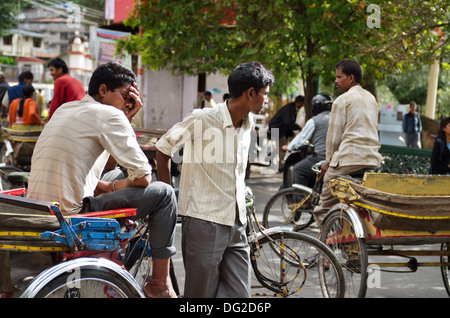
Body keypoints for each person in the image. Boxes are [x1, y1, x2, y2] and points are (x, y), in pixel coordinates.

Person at [27, 62, 178, 298]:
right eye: (126, 96)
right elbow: (143, 176)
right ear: (104, 90)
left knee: (116, 174)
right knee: (165, 194)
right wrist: (111, 187)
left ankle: (124, 248)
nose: (129, 103)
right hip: (70, 213)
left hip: (39, 207)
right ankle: (160, 283)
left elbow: (107, 165)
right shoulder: (109, 115)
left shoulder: (65, 109)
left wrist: (125, 118)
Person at [156, 61, 274, 298]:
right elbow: (163, 148)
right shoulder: (202, 119)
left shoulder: (247, 126)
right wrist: (168, 192)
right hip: (204, 221)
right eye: (265, 95)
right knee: (201, 297)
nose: (267, 101)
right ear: (250, 94)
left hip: (237, 222)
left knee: (240, 296)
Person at [313, 59, 381, 227]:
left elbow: (334, 137)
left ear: (350, 78)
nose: (336, 81)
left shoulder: (342, 100)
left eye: (339, 77)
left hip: (349, 159)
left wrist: (328, 162)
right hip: (372, 160)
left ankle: (323, 251)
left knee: (322, 208)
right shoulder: (371, 98)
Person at [282, 93, 333, 188]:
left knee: (298, 169)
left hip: (321, 158)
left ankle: (299, 201)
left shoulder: (315, 120)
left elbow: (301, 139)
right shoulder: (336, 118)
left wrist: (289, 147)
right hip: (335, 159)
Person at [268, 95, 304, 170]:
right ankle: (279, 165)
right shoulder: (290, 109)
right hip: (277, 129)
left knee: (279, 147)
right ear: (299, 102)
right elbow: (288, 122)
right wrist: (298, 127)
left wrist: (291, 132)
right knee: (281, 147)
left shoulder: (291, 108)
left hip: (277, 128)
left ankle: (272, 159)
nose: (303, 105)